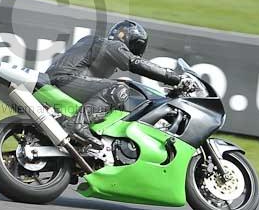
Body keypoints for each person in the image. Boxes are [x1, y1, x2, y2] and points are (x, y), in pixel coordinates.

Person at [46, 20, 192, 146]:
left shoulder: (93, 42)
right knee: (119, 89)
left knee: (117, 86)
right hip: (66, 80)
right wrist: (176, 79)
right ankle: (78, 124)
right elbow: (136, 63)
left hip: (58, 80)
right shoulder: (111, 45)